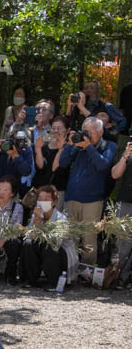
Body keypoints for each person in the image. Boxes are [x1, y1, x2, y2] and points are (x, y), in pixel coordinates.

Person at [57, 117, 117, 266]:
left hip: (93, 199)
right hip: (72, 197)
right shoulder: (77, 146)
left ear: (101, 132)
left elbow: (103, 165)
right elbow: (63, 163)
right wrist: (70, 145)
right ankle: (70, 267)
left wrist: (88, 146)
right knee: (71, 237)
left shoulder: (109, 145)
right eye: (86, 132)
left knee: (89, 239)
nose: (87, 135)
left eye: (91, 132)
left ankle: (88, 270)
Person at [20, 185, 75, 290]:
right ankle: (30, 280)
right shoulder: (36, 214)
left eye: (46, 199)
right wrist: (37, 220)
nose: (42, 202)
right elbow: (30, 235)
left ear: (54, 202)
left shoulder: (61, 218)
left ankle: (54, 282)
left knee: (50, 246)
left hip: (59, 251)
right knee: (28, 243)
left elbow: (57, 241)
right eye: (40, 199)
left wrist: (42, 228)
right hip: (42, 247)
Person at [111, 142, 132, 286]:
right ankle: (118, 277)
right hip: (126, 201)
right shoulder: (128, 155)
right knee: (122, 242)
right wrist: (125, 155)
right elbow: (115, 174)